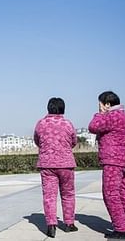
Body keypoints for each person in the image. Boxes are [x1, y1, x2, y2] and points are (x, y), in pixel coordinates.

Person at [89, 91, 125, 239]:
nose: (99, 108)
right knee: (122, 193)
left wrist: (99, 114)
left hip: (113, 161)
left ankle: (121, 230)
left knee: (110, 194)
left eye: (100, 105)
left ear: (107, 104)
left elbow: (93, 126)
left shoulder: (111, 116)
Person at [34, 97, 78, 238]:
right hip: (66, 164)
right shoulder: (68, 124)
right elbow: (74, 141)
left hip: (47, 165)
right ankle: (69, 223)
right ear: (63, 109)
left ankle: (51, 226)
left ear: (48, 108)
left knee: (49, 196)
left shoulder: (40, 124)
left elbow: (37, 140)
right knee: (68, 194)